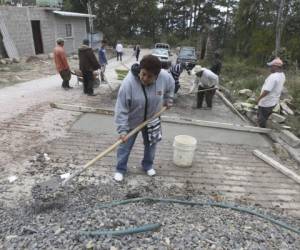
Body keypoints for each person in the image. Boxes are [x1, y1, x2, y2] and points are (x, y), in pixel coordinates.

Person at [113, 55, 175, 182]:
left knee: (151, 144)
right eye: (143, 74)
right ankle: (120, 168)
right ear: (140, 70)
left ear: (157, 76)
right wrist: (123, 130)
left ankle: (147, 165)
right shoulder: (128, 83)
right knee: (125, 145)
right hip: (132, 120)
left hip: (153, 117)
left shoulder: (164, 77)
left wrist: (168, 99)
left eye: (150, 76)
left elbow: (170, 86)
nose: (145, 78)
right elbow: (121, 108)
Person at [256, 57, 285, 128]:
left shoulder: (273, 77)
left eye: (271, 66)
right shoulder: (282, 75)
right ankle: (262, 127)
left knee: (261, 119)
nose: (269, 68)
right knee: (265, 117)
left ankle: (260, 132)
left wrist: (258, 99)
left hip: (266, 102)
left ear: (275, 67)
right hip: (273, 101)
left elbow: (267, 90)